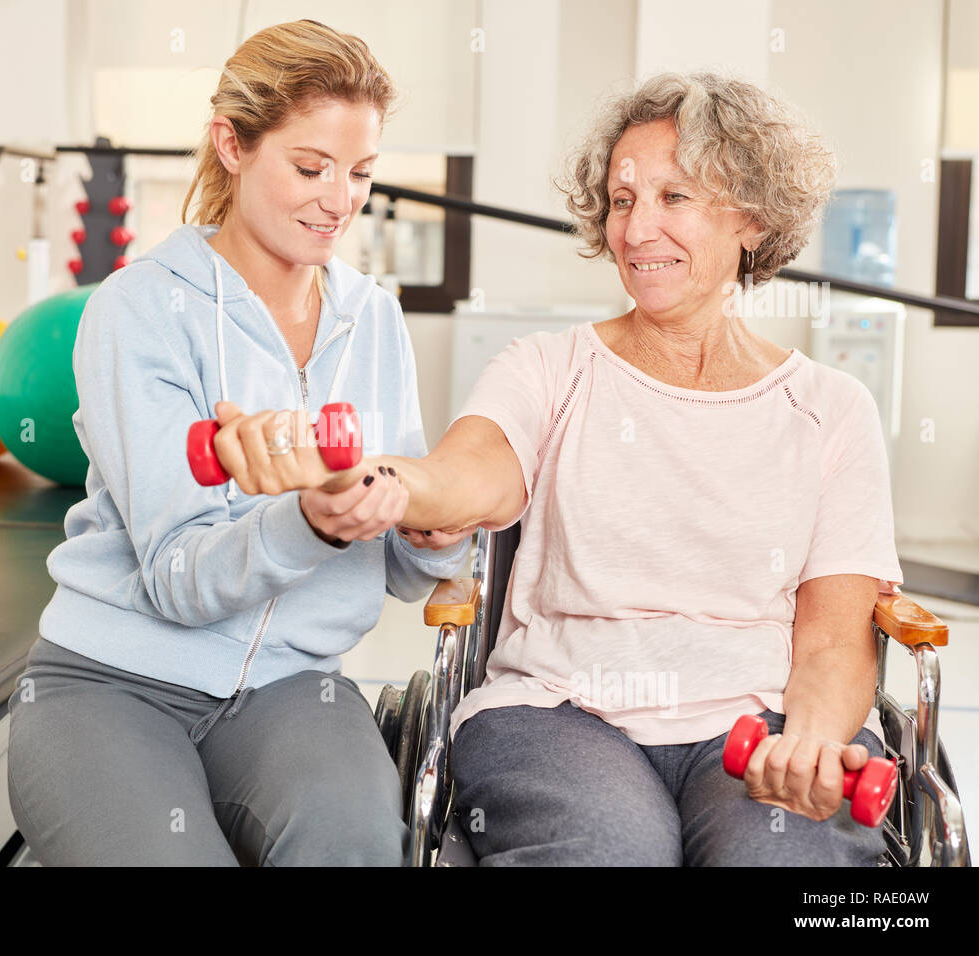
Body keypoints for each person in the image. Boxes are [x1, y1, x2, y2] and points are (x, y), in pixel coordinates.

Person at [214, 72, 902, 866]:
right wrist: (369, 477)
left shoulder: (831, 409)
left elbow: (831, 640)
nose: (637, 229)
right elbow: (470, 476)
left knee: (785, 858)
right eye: (621, 200)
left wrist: (810, 745)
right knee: (606, 853)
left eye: (674, 198)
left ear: (751, 215)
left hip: (759, 722)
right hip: (558, 712)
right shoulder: (548, 368)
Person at [5, 19, 469, 867]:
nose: (340, 199)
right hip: (109, 685)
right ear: (231, 144)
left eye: (360, 172)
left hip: (292, 688)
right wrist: (312, 522)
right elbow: (179, 578)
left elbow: (404, 573)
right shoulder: (138, 309)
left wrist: (435, 530)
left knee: (357, 846)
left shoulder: (375, 320)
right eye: (310, 166)